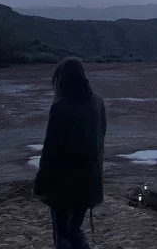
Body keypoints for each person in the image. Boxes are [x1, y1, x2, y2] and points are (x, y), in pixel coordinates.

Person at [33, 57, 106, 249]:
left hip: (64, 185)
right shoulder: (98, 102)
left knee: (63, 235)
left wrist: (40, 185)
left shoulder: (60, 107)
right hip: (89, 182)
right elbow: (100, 142)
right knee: (74, 230)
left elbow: (50, 151)